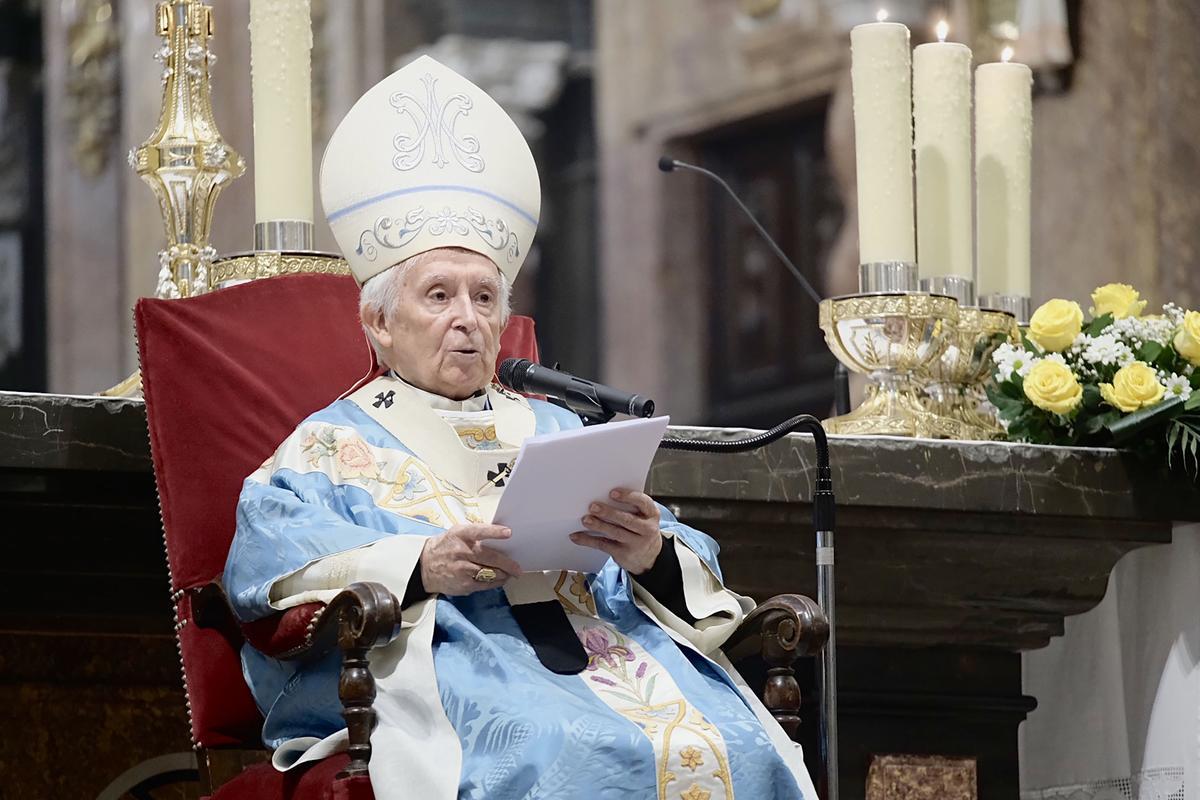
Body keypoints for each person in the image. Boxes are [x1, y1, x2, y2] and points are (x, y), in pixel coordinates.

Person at [224, 55, 816, 800]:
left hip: (607, 659)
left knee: (740, 746)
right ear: (378, 322)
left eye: (483, 298)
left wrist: (647, 552)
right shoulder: (329, 446)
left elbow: (685, 557)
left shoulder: (556, 423)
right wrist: (421, 565)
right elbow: (269, 576)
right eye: (438, 296)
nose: (466, 320)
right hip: (455, 668)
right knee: (558, 751)